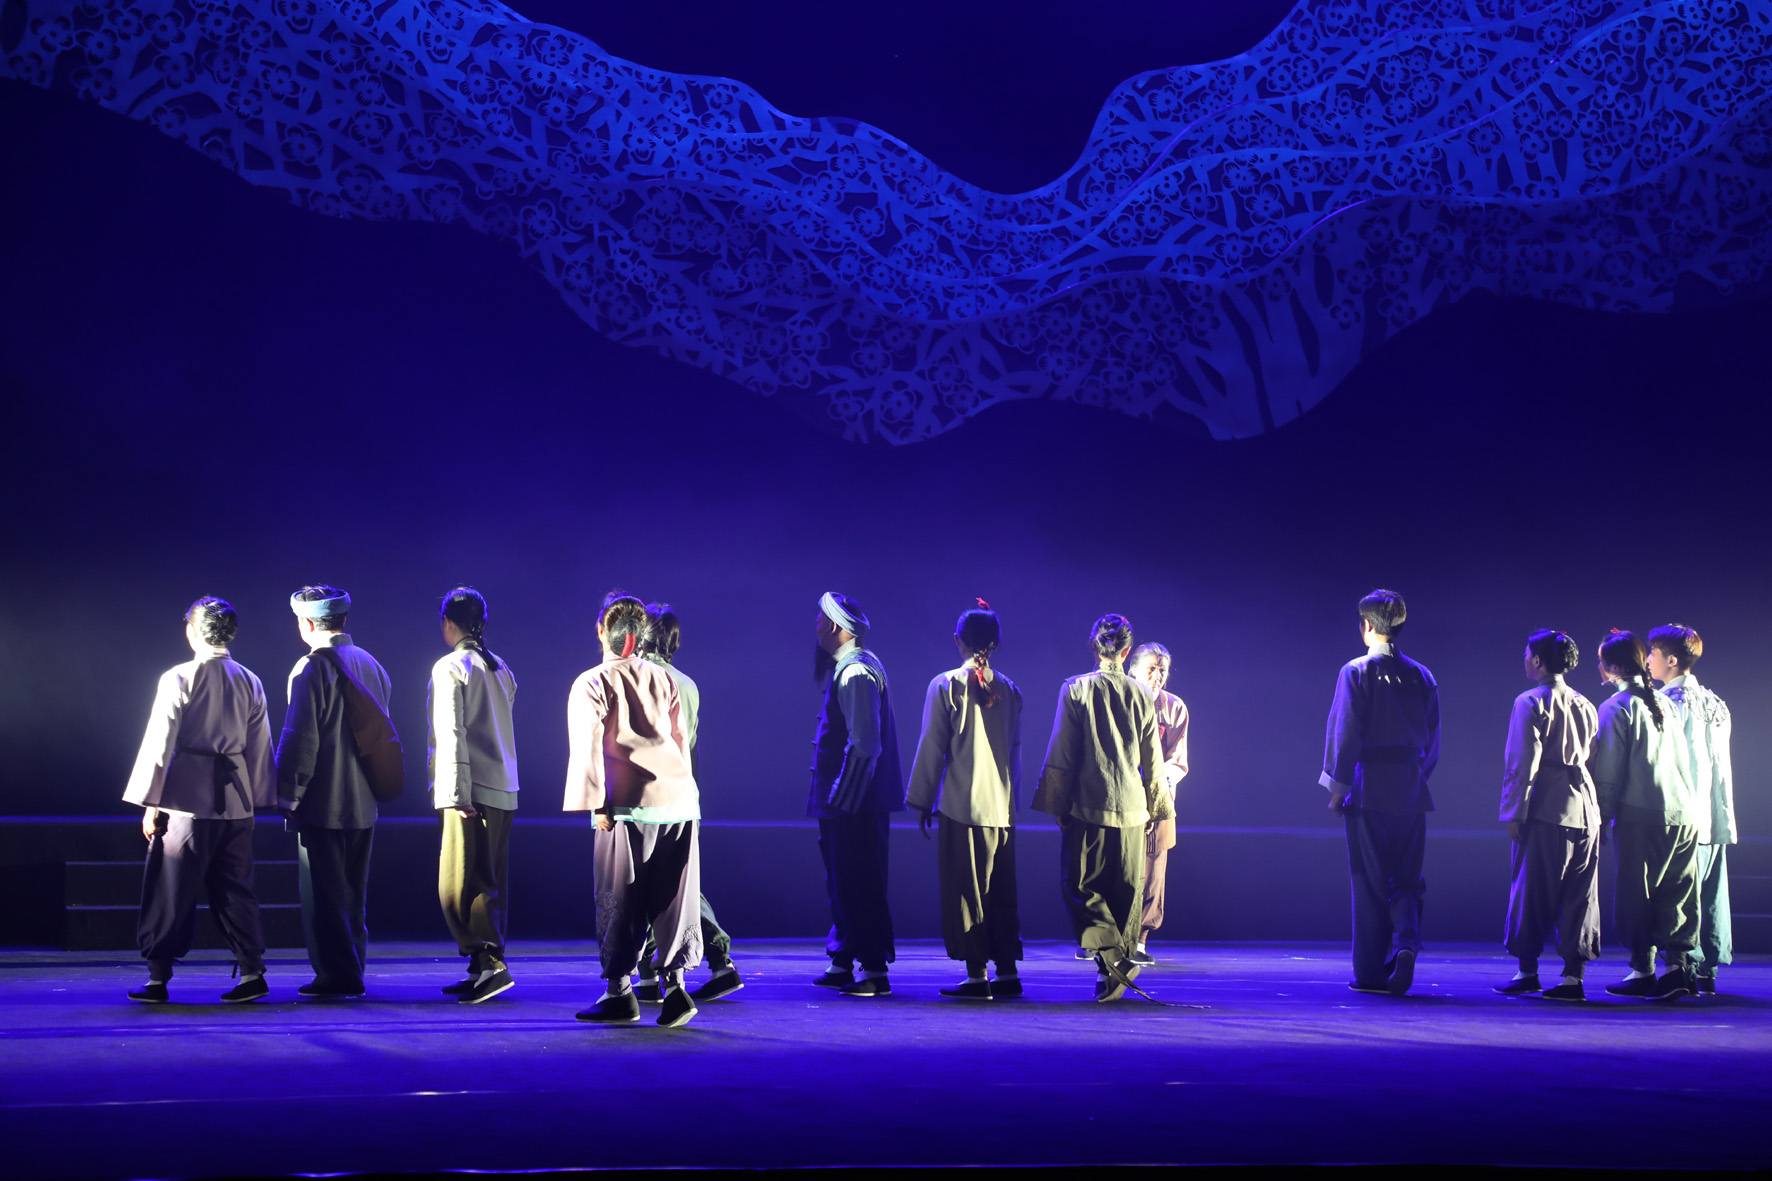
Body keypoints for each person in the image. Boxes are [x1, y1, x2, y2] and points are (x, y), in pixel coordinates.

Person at [123, 597, 277, 1003]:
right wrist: (257, 799)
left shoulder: (179, 677)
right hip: (236, 801)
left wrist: (151, 802)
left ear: (192, 632)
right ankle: (252, 971)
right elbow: (260, 746)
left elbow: (160, 744)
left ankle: (158, 978)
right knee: (236, 888)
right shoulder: (250, 680)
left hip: (186, 800)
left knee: (171, 887)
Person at [566, 593, 703, 1027]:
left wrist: (596, 803)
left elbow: (587, 748)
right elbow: (680, 740)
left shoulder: (592, 681)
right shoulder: (663, 678)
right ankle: (676, 989)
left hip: (627, 807)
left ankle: (619, 993)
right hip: (678, 801)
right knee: (673, 899)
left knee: (620, 898)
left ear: (601, 631)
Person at [1032, 613, 1160, 1002]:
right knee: (1125, 893)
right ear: (1127, 650)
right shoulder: (1142, 694)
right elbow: (1153, 759)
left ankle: (1114, 962)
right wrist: (1155, 808)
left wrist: (1057, 801)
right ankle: (1114, 971)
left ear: (1093, 645)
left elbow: (1062, 750)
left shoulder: (1076, 689)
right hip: (1133, 807)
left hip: (1089, 804)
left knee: (1080, 887)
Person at [1319, 589, 1440, 997]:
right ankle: (1406, 944)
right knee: (1406, 878)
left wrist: (1338, 789)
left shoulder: (1357, 671)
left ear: (1367, 626)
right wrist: (1417, 777)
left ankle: (1371, 971)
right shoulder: (1423, 675)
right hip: (1411, 787)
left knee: (1369, 880)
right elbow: (1434, 741)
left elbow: (1345, 731)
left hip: (1369, 785)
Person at [277, 585, 393, 998]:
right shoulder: (372, 664)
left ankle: (336, 975)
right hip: (365, 799)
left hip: (323, 801)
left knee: (323, 895)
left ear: (307, 624)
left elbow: (300, 739)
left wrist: (288, 796)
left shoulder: (309, 668)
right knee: (353, 892)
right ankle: (354, 964)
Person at [907, 601, 1024, 1000]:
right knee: (1001, 892)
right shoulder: (1011, 691)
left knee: (966, 892)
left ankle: (977, 976)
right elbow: (1015, 755)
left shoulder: (945, 686)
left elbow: (932, 747)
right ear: (996, 644)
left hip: (962, 807)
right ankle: (1007, 972)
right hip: (1001, 810)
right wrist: (1011, 804)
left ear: (958, 640)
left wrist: (921, 800)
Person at [634, 601, 742, 1004]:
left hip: (647, 796)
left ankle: (660, 973)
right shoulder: (688, 684)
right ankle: (708, 965)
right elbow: (690, 747)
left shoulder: (638, 676)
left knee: (646, 883)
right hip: (682, 795)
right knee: (679, 883)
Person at [1593, 629, 1701, 1001]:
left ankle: (1643, 968)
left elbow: (1608, 773)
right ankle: (1676, 969)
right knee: (1677, 893)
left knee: (1636, 895)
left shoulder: (1616, 708)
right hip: (1683, 811)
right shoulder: (1666, 703)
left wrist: (1602, 817)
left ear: (1614, 667)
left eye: (1601, 661)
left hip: (1642, 814)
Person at [807, 591, 905, 997]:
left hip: (854, 803)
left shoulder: (856, 672)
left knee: (860, 882)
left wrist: (843, 797)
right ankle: (844, 957)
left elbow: (865, 743)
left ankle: (873, 968)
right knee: (844, 881)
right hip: (847, 802)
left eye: (819, 620)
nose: (816, 627)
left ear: (834, 626)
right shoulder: (853, 667)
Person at [1494, 630, 1600, 1002]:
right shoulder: (1585, 703)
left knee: (1532, 889)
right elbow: (1593, 758)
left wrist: (1514, 811)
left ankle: (1527, 971)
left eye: (1527, 653)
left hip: (1548, 807)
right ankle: (1573, 976)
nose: (1524, 658)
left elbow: (1522, 761)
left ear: (1537, 660)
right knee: (1581, 895)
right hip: (1586, 808)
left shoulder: (1530, 701)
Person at [429, 587, 520, 1005]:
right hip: (503, 786)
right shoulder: (500, 667)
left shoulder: (451, 666)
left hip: (472, 788)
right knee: (490, 877)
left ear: (448, 623)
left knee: (460, 883)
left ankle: (489, 963)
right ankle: (483, 966)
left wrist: (454, 793)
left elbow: (451, 733)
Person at [1648, 623, 1734, 995]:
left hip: (1683, 814)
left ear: (1671, 660)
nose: (1647, 660)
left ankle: (1680, 967)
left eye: (1652, 653)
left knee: (1681, 895)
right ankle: (1706, 970)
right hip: (1715, 814)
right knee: (1711, 893)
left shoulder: (1667, 701)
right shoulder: (1716, 702)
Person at [1127, 642, 1188, 967]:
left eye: (1162, 669)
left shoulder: (1174, 708)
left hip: (1158, 799)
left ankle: (1139, 940)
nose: (1157, 675)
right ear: (1133, 669)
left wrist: (1157, 789)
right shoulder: (1119, 701)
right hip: (1121, 798)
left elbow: (1178, 760)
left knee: (1152, 872)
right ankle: (1104, 938)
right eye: (1151, 668)